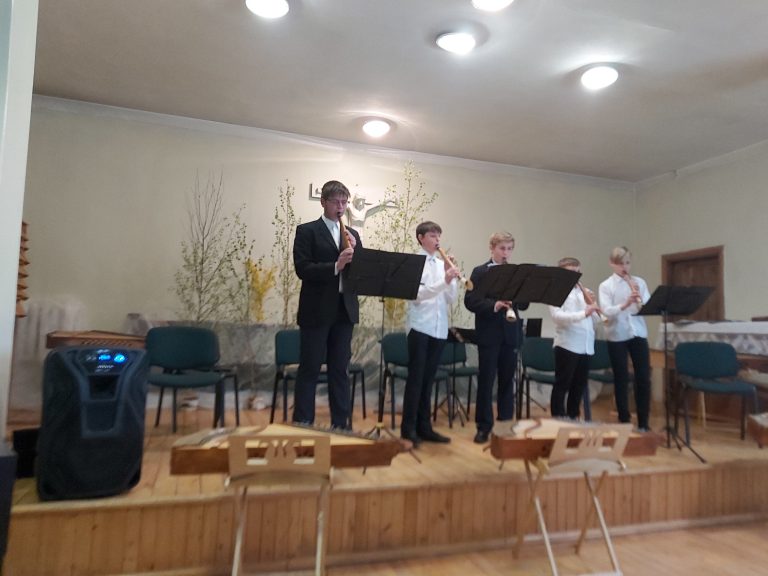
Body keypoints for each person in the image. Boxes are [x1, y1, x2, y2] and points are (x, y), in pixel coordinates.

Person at [292, 180, 361, 429]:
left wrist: (357, 253)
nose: (341, 207)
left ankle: (341, 426)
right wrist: (336, 265)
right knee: (310, 369)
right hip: (317, 311)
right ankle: (303, 423)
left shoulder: (353, 234)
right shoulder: (307, 231)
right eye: (336, 202)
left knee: (340, 371)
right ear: (323, 202)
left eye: (344, 202)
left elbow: (360, 273)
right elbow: (303, 269)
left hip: (344, 310)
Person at [400, 221, 460, 447]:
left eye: (439, 236)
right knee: (416, 381)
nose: (437, 240)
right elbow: (416, 295)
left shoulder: (440, 263)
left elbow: (450, 298)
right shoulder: (414, 263)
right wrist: (444, 280)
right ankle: (408, 428)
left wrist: (450, 278)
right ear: (421, 238)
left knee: (428, 381)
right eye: (433, 236)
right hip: (420, 327)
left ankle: (425, 427)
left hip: (439, 328)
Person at [464, 231, 526, 444]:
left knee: (508, 382)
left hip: (511, 333)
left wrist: (517, 297)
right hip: (489, 334)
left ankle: (505, 425)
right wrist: (494, 305)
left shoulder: (516, 273)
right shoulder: (480, 272)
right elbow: (471, 301)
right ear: (492, 248)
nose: (505, 253)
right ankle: (484, 427)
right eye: (502, 248)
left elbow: (524, 304)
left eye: (509, 249)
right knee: (486, 381)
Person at [598, 246, 652, 431]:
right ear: (612, 264)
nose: (625, 267)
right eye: (620, 264)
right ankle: (624, 420)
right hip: (617, 335)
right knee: (621, 377)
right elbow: (606, 311)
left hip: (638, 333)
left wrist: (639, 300)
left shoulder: (640, 282)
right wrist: (625, 303)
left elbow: (648, 307)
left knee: (643, 377)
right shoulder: (606, 286)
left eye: (627, 263)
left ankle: (643, 422)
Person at [548, 257, 600, 420]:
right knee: (563, 383)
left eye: (578, 272)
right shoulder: (556, 292)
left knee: (579, 385)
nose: (576, 276)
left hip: (586, 345)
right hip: (567, 344)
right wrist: (584, 312)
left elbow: (596, 321)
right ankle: (558, 417)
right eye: (571, 273)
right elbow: (558, 317)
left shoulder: (584, 292)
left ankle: (573, 417)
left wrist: (592, 305)